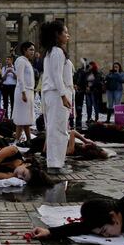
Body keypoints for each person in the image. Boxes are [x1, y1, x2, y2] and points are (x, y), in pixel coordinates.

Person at [41, 21, 73, 175]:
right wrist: (63, 95)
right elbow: (56, 76)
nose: (68, 35)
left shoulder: (51, 52)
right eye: (65, 32)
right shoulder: (57, 52)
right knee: (58, 129)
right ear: (57, 35)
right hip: (57, 94)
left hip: (53, 93)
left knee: (55, 128)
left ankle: (55, 162)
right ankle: (55, 164)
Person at [13, 42, 36, 146]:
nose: (33, 52)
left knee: (26, 117)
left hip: (29, 91)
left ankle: (28, 139)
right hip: (23, 91)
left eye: (33, 50)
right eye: (31, 49)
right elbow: (20, 77)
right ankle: (17, 140)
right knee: (21, 117)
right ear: (25, 50)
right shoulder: (20, 60)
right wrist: (23, 92)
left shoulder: (27, 61)